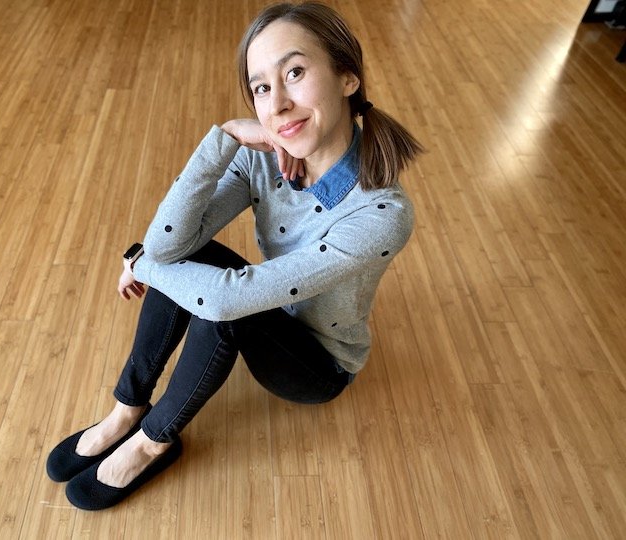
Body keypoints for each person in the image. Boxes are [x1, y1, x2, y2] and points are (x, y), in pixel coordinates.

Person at [46, 1, 422, 511]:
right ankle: (126, 408)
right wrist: (222, 139)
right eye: (262, 87)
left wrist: (141, 262)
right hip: (266, 305)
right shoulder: (263, 155)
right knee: (195, 258)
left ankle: (151, 441)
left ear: (348, 77)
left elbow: (217, 295)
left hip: (317, 365)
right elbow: (168, 244)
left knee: (224, 309)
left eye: (295, 72)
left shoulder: (381, 212)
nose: (278, 103)